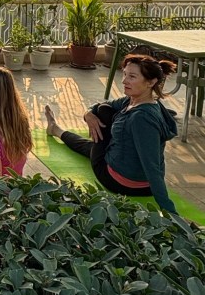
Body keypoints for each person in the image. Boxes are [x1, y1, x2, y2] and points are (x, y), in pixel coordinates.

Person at [44, 53, 178, 213]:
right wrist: (88, 114)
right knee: (98, 125)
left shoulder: (141, 118)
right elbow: (101, 104)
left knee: (103, 113)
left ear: (151, 82)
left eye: (132, 77)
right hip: (139, 179)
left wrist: (170, 213)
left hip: (120, 182)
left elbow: (152, 166)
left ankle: (55, 129)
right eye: (125, 74)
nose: (124, 81)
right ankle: (56, 129)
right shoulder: (136, 101)